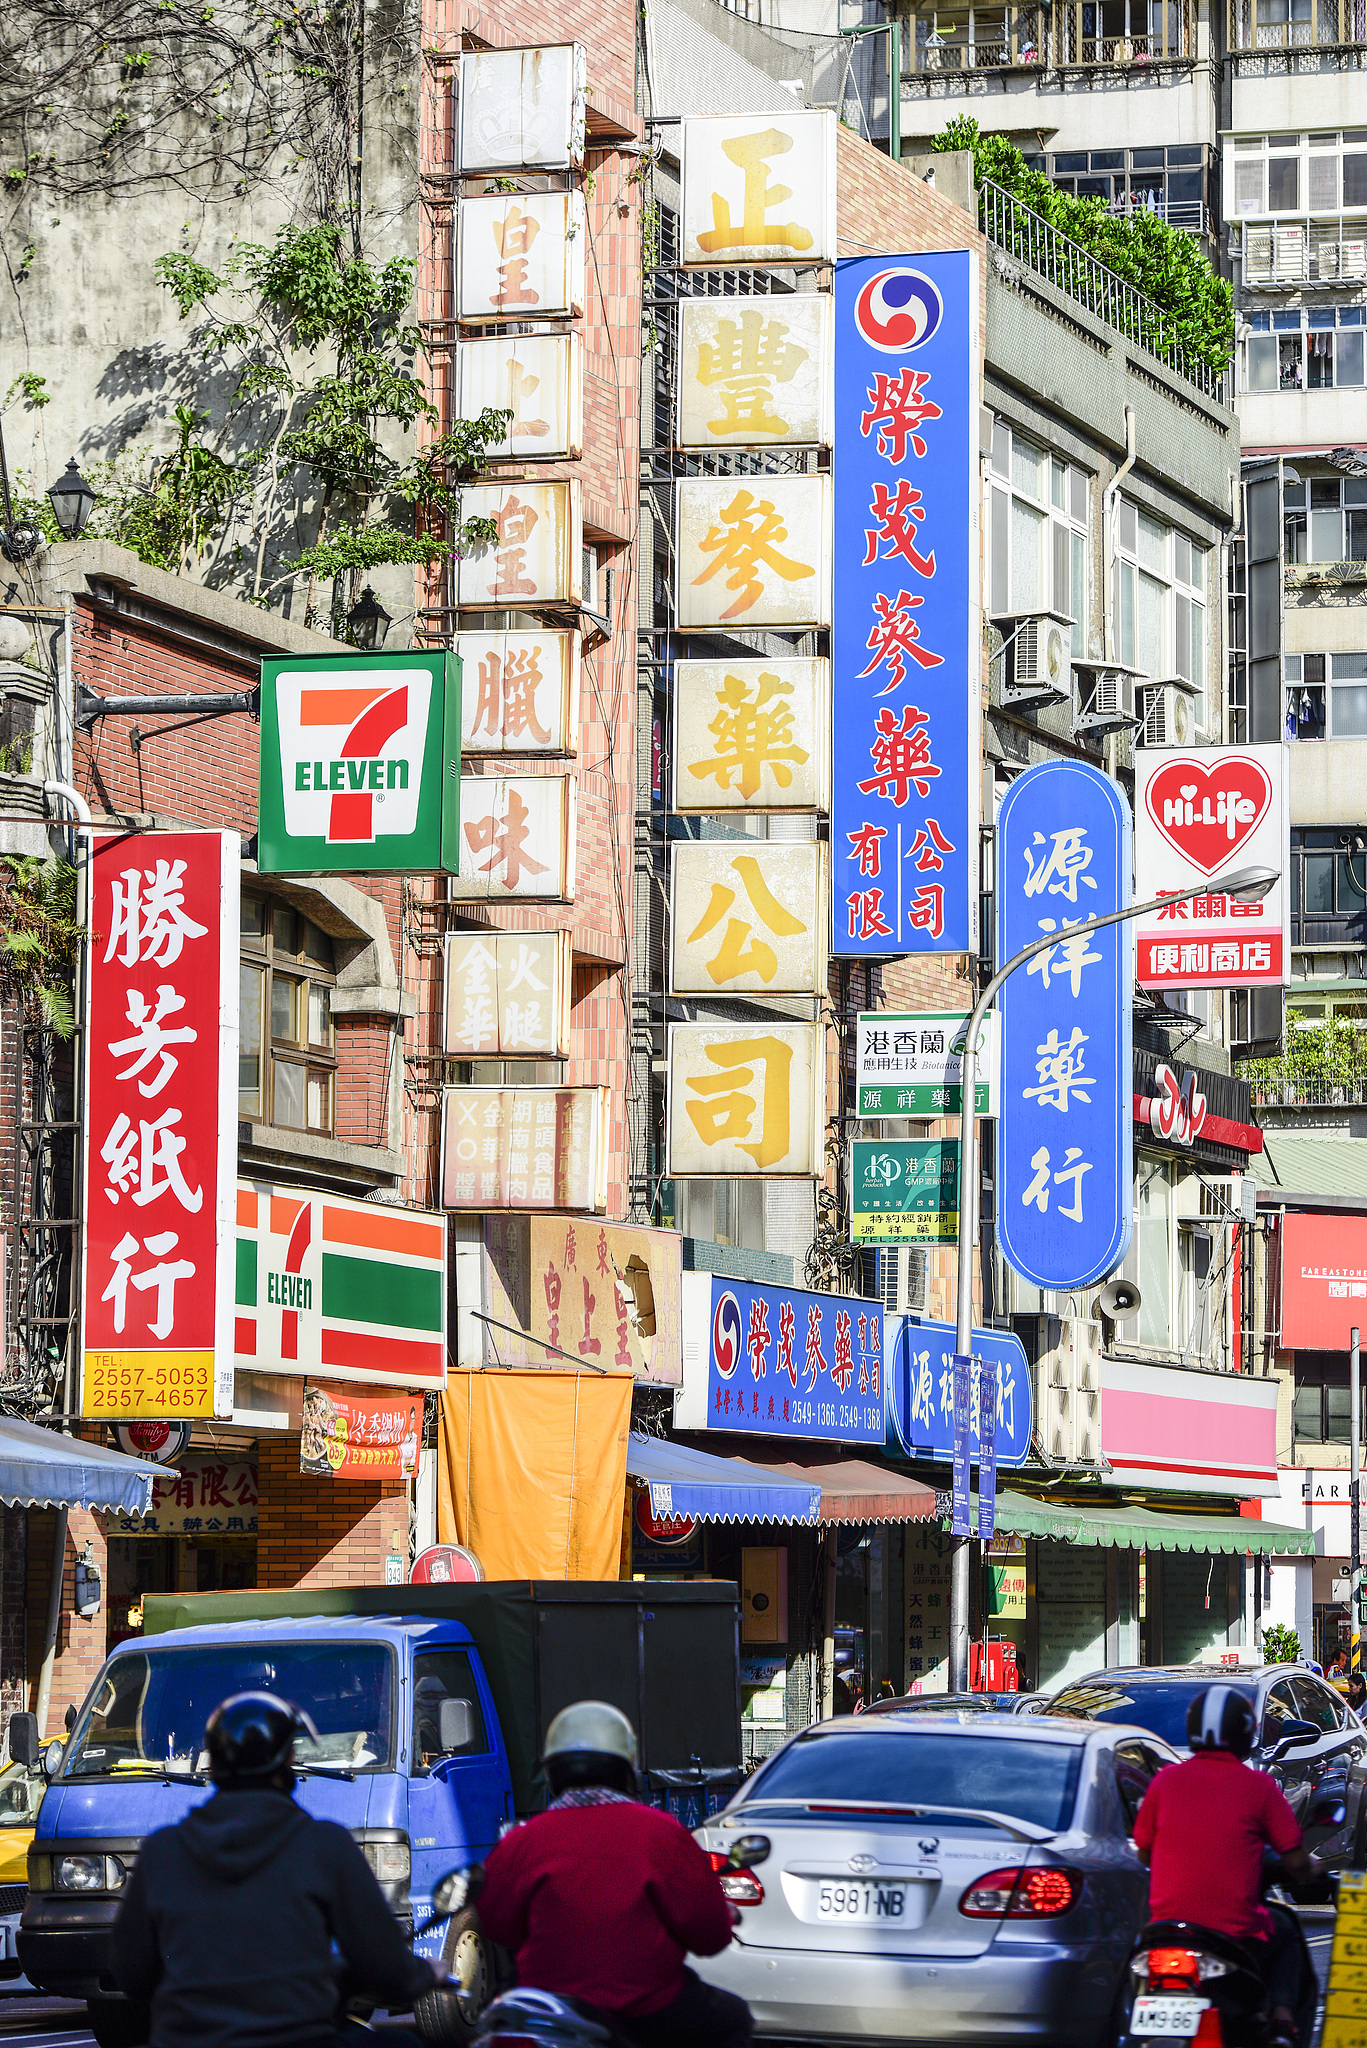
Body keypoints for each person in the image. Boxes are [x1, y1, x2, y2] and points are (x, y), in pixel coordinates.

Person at [113, 1691, 445, 2048]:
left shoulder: (163, 1851)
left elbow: (132, 1975)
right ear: (286, 1758)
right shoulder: (324, 1846)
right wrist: (426, 1972)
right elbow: (386, 1971)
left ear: (216, 1763)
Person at [477, 1700, 751, 2048]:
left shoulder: (522, 1840)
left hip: (548, 2013)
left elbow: (497, 1924)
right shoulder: (662, 1833)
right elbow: (709, 1937)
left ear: (552, 1772)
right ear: (625, 1769)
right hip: (647, 2012)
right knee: (732, 2017)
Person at [1132, 1686, 1314, 2048]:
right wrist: (1319, 1874)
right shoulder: (1259, 1787)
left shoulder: (1165, 1781)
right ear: (1245, 1732)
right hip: (1236, 1936)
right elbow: (1295, 1861)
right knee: (1287, 1928)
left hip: (1165, 1932)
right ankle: (1281, 2023)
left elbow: (1144, 1852)